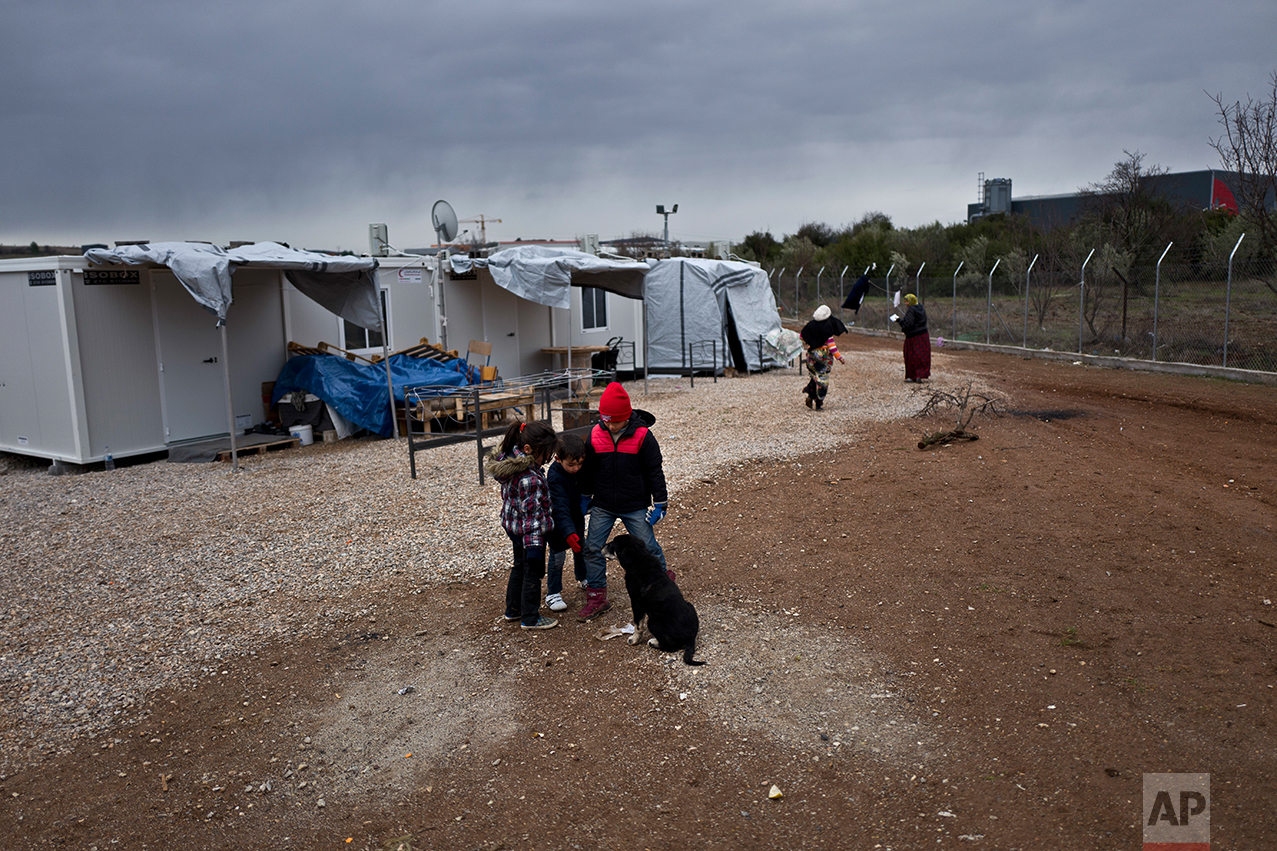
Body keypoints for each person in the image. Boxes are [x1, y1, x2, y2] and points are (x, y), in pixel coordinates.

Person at [576, 382, 669, 621]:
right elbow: (588, 470)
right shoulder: (596, 434)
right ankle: (597, 596)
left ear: (627, 417)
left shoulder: (643, 436)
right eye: (605, 420)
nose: (609, 425)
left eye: (614, 421)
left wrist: (660, 503)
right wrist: (585, 496)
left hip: (635, 504)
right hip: (603, 504)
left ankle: (662, 582)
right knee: (593, 548)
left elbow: (654, 471)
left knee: (647, 547)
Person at [484, 419, 559, 630]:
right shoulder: (529, 478)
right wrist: (535, 547)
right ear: (528, 449)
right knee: (532, 572)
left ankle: (513, 610)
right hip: (529, 535)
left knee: (518, 567)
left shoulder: (510, 462)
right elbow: (532, 518)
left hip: (513, 528)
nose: (548, 458)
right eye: (546, 453)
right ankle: (530, 618)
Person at [545, 433, 587, 613]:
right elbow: (559, 507)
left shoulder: (578, 470)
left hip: (576, 518)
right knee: (557, 557)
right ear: (558, 459)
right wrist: (568, 532)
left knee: (581, 549)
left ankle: (583, 577)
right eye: (571, 464)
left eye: (579, 463)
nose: (576, 468)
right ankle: (553, 592)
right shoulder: (554, 477)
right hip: (558, 525)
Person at [799, 304, 847, 410]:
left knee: (815, 376)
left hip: (811, 355)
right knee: (822, 380)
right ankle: (819, 402)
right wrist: (839, 357)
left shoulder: (810, 325)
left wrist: (812, 340)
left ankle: (810, 394)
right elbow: (831, 346)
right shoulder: (827, 327)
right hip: (823, 357)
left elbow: (801, 336)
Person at [894, 293, 931, 381]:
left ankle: (912, 375)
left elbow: (909, 324)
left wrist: (899, 321)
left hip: (913, 337)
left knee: (911, 355)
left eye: (906, 302)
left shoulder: (911, 310)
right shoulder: (921, 308)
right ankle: (920, 374)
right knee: (922, 355)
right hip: (923, 335)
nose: (906, 304)